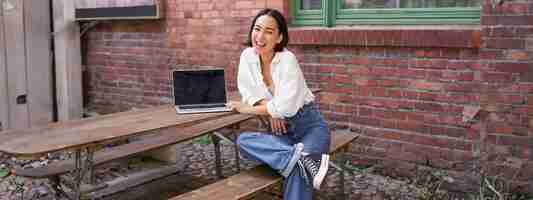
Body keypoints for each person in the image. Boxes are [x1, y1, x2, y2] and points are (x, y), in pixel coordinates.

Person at [226, 8, 331, 200]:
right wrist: (272, 111)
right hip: (282, 134)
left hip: (310, 128)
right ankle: (298, 158)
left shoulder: (287, 60)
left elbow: (287, 108)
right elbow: (249, 92)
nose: (260, 36)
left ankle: (297, 160)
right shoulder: (247, 56)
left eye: (268, 31)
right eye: (257, 29)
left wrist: (249, 109)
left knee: (298, 172)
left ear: (279, 37)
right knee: (243, 141)